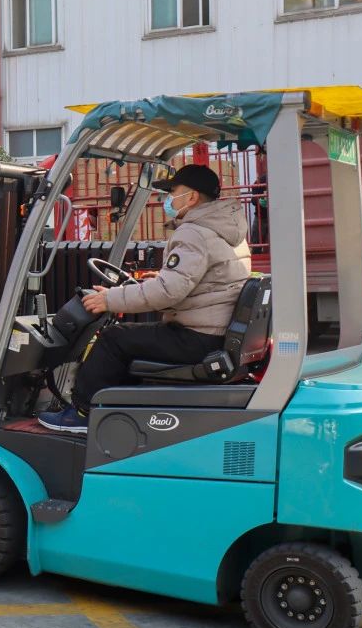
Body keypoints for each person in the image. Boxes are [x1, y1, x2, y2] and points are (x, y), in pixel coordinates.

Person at [38, 164, 251, 433]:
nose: (168, 200)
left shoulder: (193, 232)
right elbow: (206, 278)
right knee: (134, 337)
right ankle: (119, 406)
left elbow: (167, 292)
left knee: (114, 338)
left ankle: (82, 413)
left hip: (198, 337)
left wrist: (109, 299)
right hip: (215, 331)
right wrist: (159, 278)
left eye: (173, 192)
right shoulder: (226, 230)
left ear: (192, 197)